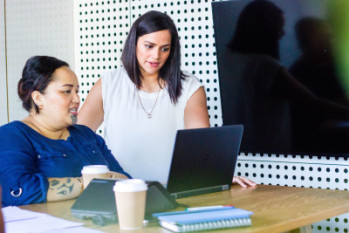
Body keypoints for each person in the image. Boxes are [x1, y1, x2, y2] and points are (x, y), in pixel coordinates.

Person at [78, 10, 255, 187]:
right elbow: (77, 138)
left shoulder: (190, 87)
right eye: (149, 46)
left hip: (172, 192)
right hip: (119, 192)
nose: (156, 56)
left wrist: (218, 174)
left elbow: (202, 145)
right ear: (134, 43)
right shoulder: (109, 83)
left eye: (165, 49)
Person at [220, 0, 349, 153]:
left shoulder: (229, 58)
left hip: (241, 150)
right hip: (270, 152)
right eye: (278, 28)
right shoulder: (267, 67)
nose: (282, 34)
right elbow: (313, 104)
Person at [0, 56, 130, 207]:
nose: (77, 98)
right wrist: (90, 182)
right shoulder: (12, 136)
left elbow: (126, 180)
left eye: (77, 91)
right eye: (67, 91)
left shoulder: (86, 135)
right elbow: (18, 190)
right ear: (38, 98)